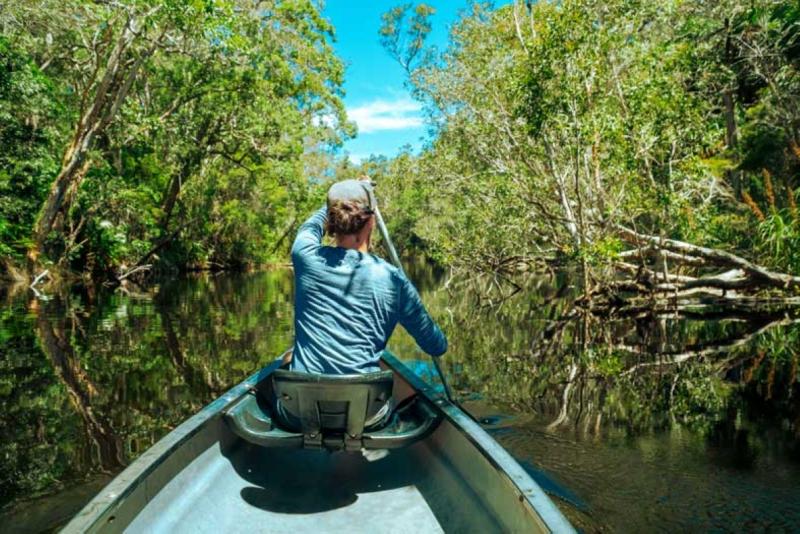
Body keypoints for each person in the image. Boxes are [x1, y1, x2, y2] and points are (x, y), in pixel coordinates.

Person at [288, 178, 447, 377]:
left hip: (298, 405)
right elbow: (436, 346)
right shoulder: (392, 279)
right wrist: (364, 192)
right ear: (371, 221)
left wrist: (336, 202)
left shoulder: (305, 256)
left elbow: (309, 227)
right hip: (364, 406)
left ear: (331, 220)